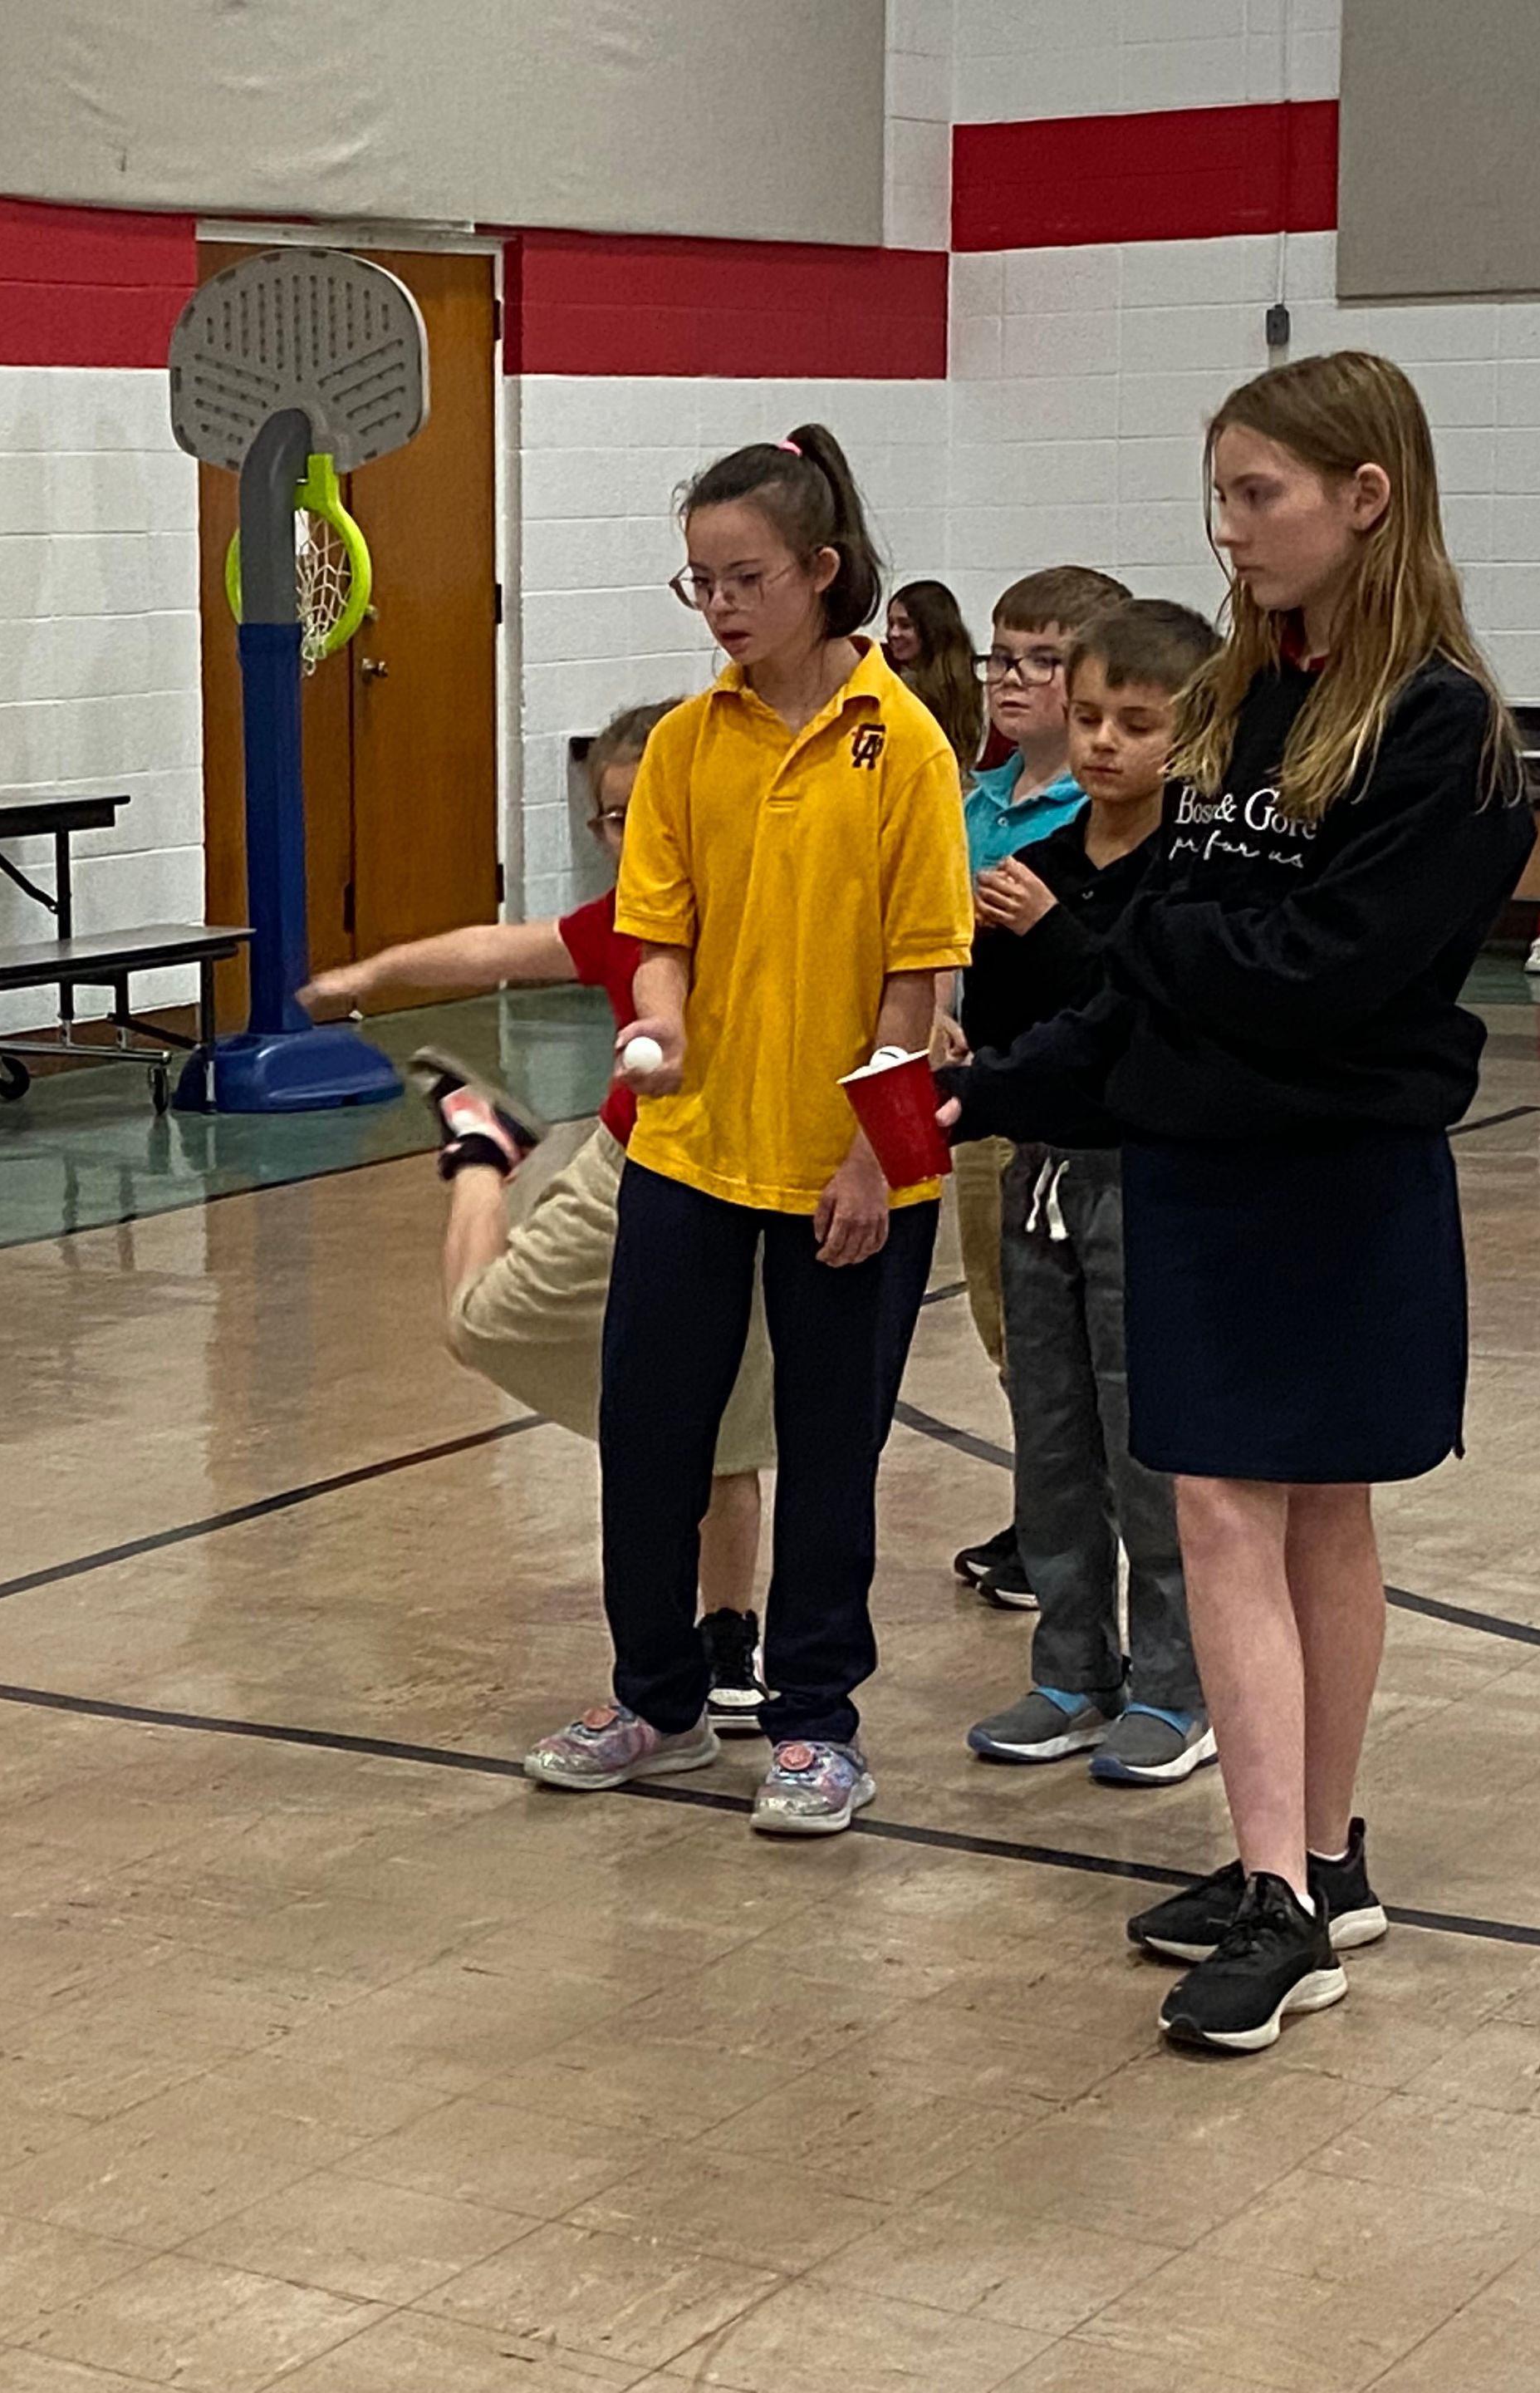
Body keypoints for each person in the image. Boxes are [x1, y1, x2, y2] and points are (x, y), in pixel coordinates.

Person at [941, 351, 1534, 2052]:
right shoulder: (1240, 706)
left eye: (1257, 493)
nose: (1230, 528)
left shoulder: (1442, 739)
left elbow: (1314, 977)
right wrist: (991, 1086)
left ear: (1367, 497)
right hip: (1203, 1164)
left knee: (1266, 1517)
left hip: (1332, 1185)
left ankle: (1287, 1897)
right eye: (1220, 493)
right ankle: (1313, 1865)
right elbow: (1162, 987)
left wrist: (1123, 941)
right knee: (1270, 1517)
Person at [523, 425, 969, 1832]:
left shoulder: (903, 745)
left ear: (821, 573)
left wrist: (867, 1156)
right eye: (698, 580)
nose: (721, 605)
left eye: (746, 576)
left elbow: (922, 973)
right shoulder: (686, 747)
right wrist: (655, 1028)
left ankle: (817, 1724)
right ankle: (655, 1698)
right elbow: (655, 931)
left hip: (850, 1165)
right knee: (649, 1435)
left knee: (832, 1452)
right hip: (689, 1155)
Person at [299, 700, 778, 1732]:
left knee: (733, 1420)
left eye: (648, 811)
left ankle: (729, 1633)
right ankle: (481, 1147)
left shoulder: (767, 909)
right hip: (634, 1171)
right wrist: (375, 976)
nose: (627, 835)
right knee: (482, 1323)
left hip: (752, 1182)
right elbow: (492, 950)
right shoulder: (621, 926)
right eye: (609, 817)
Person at [957, 597, 1221, 1788]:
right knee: (1051, 1435)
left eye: (1138, 723)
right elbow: (1021, 1022)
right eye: (1093, 716)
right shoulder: (1040, 864)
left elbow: (1150, 1022)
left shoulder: (1193, 871)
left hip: (1144, 1179)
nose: (1106, 743)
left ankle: (1180, 1682)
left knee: (1144, 1440)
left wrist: (1057, 933)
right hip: (1038, 1172)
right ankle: (1073, 1666)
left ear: (1192, 736)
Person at [945, 565, 1130, 1609]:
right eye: (1000, 658)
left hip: (1071, 1106)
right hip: (983, 1093)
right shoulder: (971, 799)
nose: (1011, 680)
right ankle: (1051, 1505)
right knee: (1004, 1322)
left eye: (1041, 662)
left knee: (1076, 1336)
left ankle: (1077, 1519)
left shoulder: (1098, 815)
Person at [883, 579, 987, 774]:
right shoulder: (890, 681)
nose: (893, 633)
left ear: (932, 628)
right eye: (890, 624)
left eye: (905, 625)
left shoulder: (977, 688)